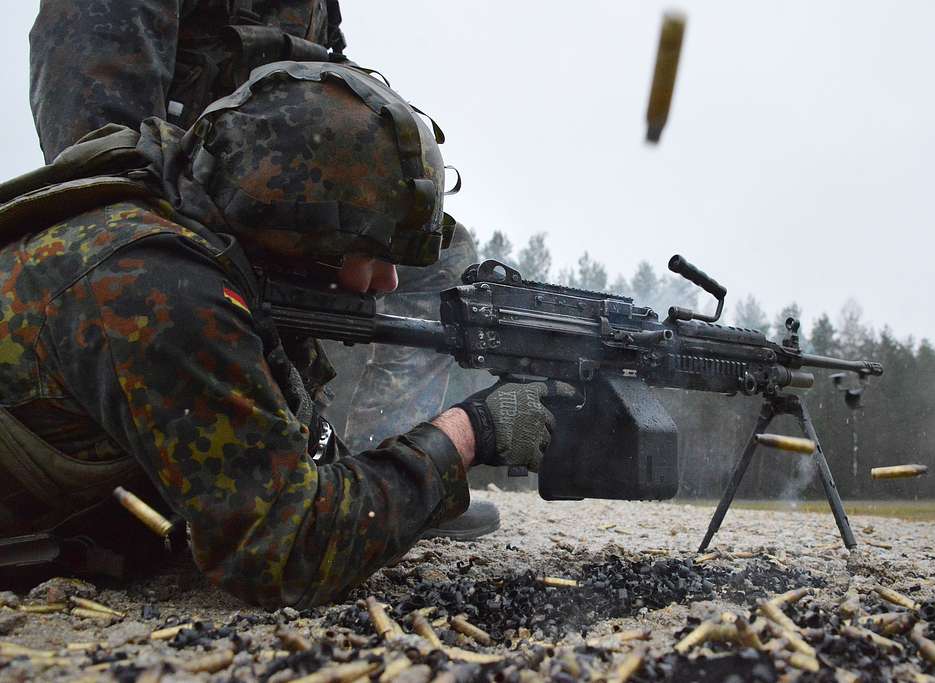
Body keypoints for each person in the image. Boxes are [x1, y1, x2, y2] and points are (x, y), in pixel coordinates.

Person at [0, 62, 563, 607]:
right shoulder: (158, 284)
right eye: (372, 254)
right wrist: (469, 431)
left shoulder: (199, 226)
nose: (388, 282)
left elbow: (305, 470)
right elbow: (287, 553)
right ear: (299, 231)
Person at [27, 0, 497, 540]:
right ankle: (305, 488)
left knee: (434, 253)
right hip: (194, 204)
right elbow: (90, 117)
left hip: (283, 210)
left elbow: (332, 89)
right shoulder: (155, 265)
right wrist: (168, 223)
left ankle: (375, 476)